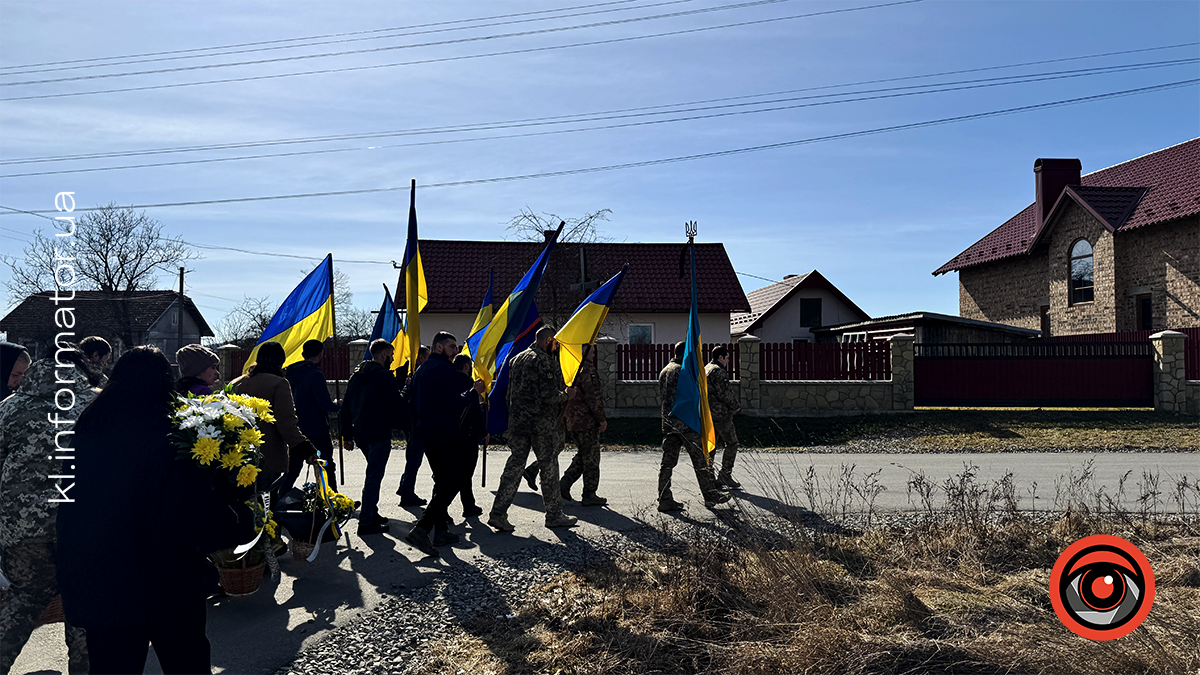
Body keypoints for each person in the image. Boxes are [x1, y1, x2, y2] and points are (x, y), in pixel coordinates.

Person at [57, 346, 257, 675]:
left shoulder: (84, 432)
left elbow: (68, 510)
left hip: (98, 584)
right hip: (165, 584)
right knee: (186, 665)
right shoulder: (167, 436)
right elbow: (190, 517)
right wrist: (239, 517)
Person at [0, 350, 99, 675]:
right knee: (83, 602)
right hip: (79, 524)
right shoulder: (97, 405)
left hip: (21, 526)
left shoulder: (10, 408)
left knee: (23, 598)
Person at [488, 326, 578, 532]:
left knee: (514, 466)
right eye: (555, 343)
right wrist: (566, 395)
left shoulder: (517, 359)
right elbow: (549, 395)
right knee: (549, 468)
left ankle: (498, 513)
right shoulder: (544, 361)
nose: (556, 347)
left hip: (519, 423)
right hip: (540, 425)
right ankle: (554, 515)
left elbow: (510, 392)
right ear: (548, 340)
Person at [404, 333, 475, 556]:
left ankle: (441, 530)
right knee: (453, 479)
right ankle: (423, 528)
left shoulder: (421, 370)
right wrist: (475, 393)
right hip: (443, 430)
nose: (455, 351)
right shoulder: (444, 370)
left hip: (426, 430)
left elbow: (412, 401)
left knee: (442, 479)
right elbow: (454, 401)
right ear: (438, 347)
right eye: (451, 347)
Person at [229, 342, 317, 498]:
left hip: (237, 456)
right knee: (265, 508)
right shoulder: (279, 384)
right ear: (280, 361)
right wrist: (307, 450)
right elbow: (286, 424)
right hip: (268, 457)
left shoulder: (236, 383)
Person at [340, 339, 405, 535]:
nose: (393, 358)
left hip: (361, 432)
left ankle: (372, 512)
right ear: (384, 354)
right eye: (391, 355)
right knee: (374, 477)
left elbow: (345, 408)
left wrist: (347, 435)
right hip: (378, 432)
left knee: (372, 473)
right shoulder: (384, 376)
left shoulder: (357, 375)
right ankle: (366, 521)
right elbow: (396, 404)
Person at [658, 341, 730, 512]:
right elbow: (692, 397)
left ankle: (664, 498)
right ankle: (710, 496)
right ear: (686, 354)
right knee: (701, 461)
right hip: (686, 424)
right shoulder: (683, 371)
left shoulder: (664, 371)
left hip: (669, 423)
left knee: (667, 464)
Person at [284, 339, 341, 493]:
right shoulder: (315, 375)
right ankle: (332, 498)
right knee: (325, 463)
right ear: (321, 353)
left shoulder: (291, 374)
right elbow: (324, 404)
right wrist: (339, 406)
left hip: (297, 428)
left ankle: (278, 498)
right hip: (317, 429)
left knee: (294, 466)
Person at [559, 346, 609, 506]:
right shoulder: (587, 370)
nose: (594, 353)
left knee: (584, 454)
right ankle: (589, 494)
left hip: (573, 419)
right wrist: (601, 418)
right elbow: (593, 397)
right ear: (583, 352)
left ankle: (564, 483)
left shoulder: (571, 368)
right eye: (591, 350)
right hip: (586, 421)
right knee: (592, 458)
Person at [452, 354, 486, 519]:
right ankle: (439, 507)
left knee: (460, 471)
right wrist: (484, 432)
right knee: (465, 472)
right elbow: (472, 413)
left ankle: (469, 504)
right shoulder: (467, 384)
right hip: (467, 433)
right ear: (466, 367)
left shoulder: (449, 381)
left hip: (452, 432)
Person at [396, 345, 431, 506]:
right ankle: (407, 493)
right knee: (414, 458)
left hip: (410, 421)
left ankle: (404, 486)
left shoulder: (411, 373)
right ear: (421, 358)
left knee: (413, 456)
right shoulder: (413, 374)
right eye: (427, 356)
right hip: (414, 422)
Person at [704, 345, 742, 490]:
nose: (728, 361)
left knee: (711, 446)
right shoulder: (719, 372)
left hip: (708, 414)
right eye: (727, 358)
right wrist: (736, 406)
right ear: (720, 357)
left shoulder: (706, 368)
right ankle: (725, 475)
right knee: (732, 443)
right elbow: (724, 394)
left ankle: (709, 477)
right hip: (720, 415)